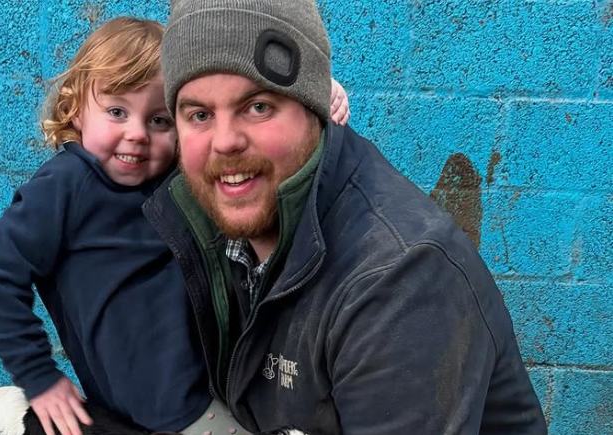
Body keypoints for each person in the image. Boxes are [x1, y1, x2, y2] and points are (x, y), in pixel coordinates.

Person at [142, 1, 549, 434]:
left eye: (257, 107)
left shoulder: (400, 278)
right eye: (199, 115)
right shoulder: (204, 216)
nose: (224, 142)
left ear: (314, 108)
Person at [0, 16, 351, 435]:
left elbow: (255, 156)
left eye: (159, 121)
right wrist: (39, 376)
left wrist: (311, 95)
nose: (137, 134)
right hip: (173, 407)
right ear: (74, 108)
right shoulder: (63, 187)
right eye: (117, 111)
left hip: (222, 378)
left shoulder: (171, 179)